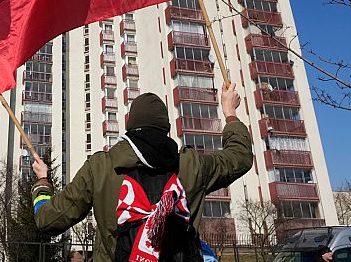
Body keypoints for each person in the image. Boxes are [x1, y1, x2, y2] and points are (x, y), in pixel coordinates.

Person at [30, 84, 252, 262]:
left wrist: (42, 182)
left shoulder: (101, 167)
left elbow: (48, 220)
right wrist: (229, 112)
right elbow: (240, 158)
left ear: (130, 126)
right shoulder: (192, 165)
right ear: (166, 129)